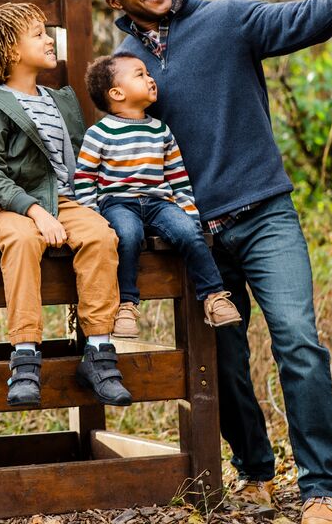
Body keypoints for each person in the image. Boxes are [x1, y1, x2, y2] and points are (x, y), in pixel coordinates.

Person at [91, 0, 332, 524]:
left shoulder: (228, 18)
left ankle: (321, 490)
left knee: (299, 342)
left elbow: (312, 17)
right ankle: (253, 471)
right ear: (116, 0)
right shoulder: (122, 71)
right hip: (196, 235)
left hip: (265, 215)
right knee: (222, 362)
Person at [0, 2, 130, 408]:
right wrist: (34, 210)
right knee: (22, 242)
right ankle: (24, 356)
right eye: (38, 33)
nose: (48, 39)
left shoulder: (62, 99)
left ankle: (98, 350)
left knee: (100, 237)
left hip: (65, 202)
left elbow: (81, 160)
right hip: (13, 206)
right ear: (10, 50)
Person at [74, 53, 242, 339]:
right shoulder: (99, 133)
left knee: (189, 232)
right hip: (118, 203)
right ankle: (126, 305)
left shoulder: (161, 130)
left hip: (158, 203)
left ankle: (214, 297)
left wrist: (188, 212)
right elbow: (84, 178)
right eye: (140, 75)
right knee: (127, 235)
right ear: (117, 93)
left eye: (148, 73)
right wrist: (93, 218)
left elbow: (177, 176)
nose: (150, 78)